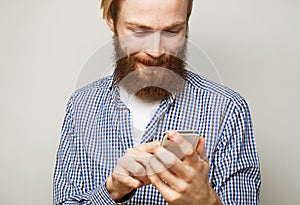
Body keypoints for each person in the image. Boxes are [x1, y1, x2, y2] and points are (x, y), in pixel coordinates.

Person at [53, 0, 261, 204]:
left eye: (172, 31)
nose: (156, 51)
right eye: (140, 32)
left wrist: (206, 202)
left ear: (187, 24)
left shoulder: (227, 109)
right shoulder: (82, 104)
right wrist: (113, 190)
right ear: (111, 20)